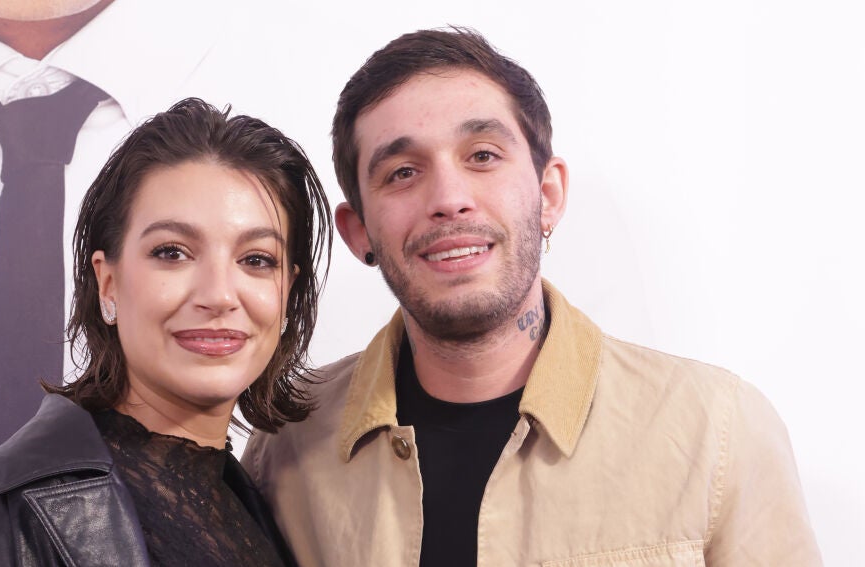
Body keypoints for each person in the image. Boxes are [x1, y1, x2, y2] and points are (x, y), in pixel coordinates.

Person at [242, 27, 822, 566]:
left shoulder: (718, 432)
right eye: (402, 172)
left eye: (482, 156)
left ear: (548, 194)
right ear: (359, 232)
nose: (449, 198)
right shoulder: (286, 447)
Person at [0, 97, 331, 566]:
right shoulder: (4, 516)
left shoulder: (261, 504)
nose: (219, 295)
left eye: (257, 260)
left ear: (288, 292)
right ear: (108, 282)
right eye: (172, 252)